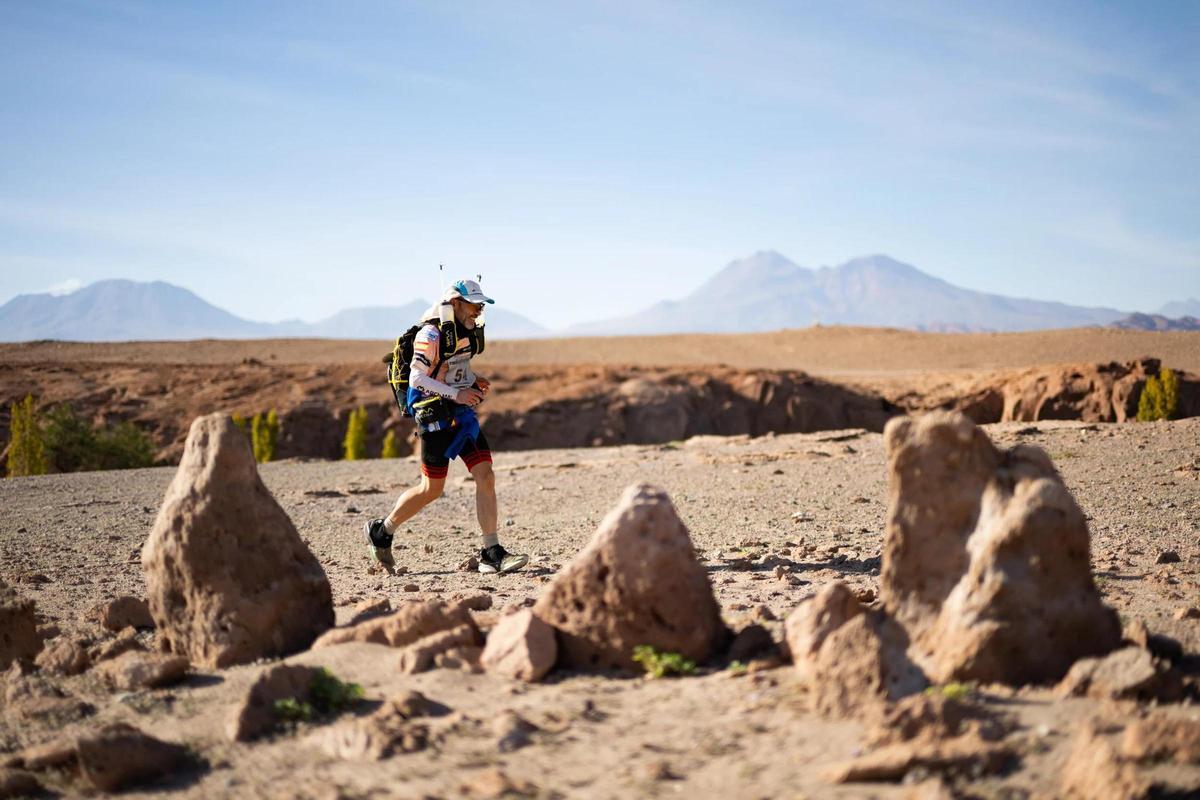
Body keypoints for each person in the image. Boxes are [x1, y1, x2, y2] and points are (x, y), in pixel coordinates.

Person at [363, 278, 529, 575]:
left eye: (480, 306)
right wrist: (458, 394)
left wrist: (472, 380)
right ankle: (382, 530)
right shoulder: (430, 334)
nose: (477, 311)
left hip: (461, 416)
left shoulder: (463, 332)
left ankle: (491, 552)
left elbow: (450, 369)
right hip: (435, 416)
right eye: (473, 305)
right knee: (431, 489)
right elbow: (417, 379)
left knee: (485, 475)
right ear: (455, 304)